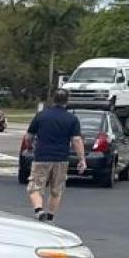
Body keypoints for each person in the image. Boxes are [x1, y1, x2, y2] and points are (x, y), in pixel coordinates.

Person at [26, 90, 85, 222]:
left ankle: (39, 210)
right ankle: (51, 217)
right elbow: (76, 140)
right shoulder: (72, 119)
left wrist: (30, 146)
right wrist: (82, 159)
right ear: (67, 101)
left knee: (34, 187)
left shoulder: (41, 116)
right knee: (56, 189)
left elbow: (29, 136)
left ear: (53, 99)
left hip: (42, 156)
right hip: (61, 158)